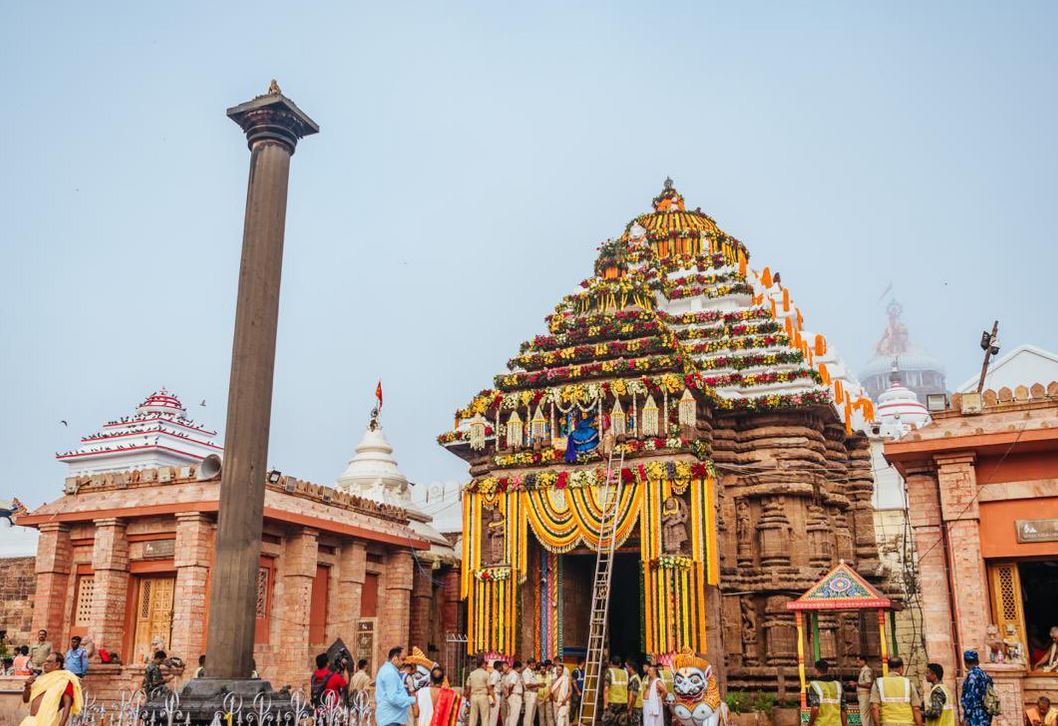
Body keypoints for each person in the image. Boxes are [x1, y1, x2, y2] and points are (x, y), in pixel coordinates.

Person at [19, 651, 83, 726]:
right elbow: (26, 700)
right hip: (31, 721)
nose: (45, 664)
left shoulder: (65, 679)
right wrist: (27, 687)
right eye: (45, 661)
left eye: (49, 662)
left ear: (57, 664)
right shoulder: (40, 679)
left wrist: (62, 724)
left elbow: (67, 704)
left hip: (49, 721)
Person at [870, 657, 922, 726]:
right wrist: (919, 724)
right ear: (901, 668)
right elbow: (916, 709)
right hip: (907, 723)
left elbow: (874, 708)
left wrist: (877, 724)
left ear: (888, 668)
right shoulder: (909, 683)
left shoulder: (878, 683)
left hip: (887, 723)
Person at [377, 647, 418, 726]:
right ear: (395, 659)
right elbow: (393, 698)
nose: (404, 663)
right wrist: (413, 700)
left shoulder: (389, 671)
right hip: (390, 719)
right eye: (402, 659)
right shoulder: (390, 673)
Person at [960, 650, 994, 726]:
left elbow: (970, 698)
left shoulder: (972, 676)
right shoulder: (985, 675)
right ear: (977, 661)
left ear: (965, 662)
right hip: (986, 713)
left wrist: (966, 718)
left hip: (975, 715)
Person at [808, 659, 847, 726]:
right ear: (827, 670)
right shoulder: (837, 685)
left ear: (816, 670)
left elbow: (815, 708)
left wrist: (810, 724)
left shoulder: (814, 685)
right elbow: (843, 709)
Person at [603, 655, 630, 726]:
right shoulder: (625, 673)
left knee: (608, 723)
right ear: (620, 664)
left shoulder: (609, 672)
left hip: (613, 703)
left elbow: (606, 689)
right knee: (621, 723)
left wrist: (605, 704)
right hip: (623, 702)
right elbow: (629, 690)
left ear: (611, 663)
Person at [465, 657, 492, 726]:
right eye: (485, 664)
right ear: (482, 664)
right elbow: (490, 688)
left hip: (473, 697)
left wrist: (467, 698)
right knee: (485, 718)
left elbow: (468, 688)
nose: (486, 665)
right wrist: (493, 698)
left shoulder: (471, 674)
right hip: (483, 696)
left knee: (473, 718)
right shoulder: (486, 674)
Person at [854, 656, 875, 726]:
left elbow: (869, 684)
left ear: (863, 661)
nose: (857, 663)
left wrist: (856, 684)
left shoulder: (867, 670)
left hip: (865, 696)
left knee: (864, 715)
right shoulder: (863, 670)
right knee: (867, 716)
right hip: (862, 696)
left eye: (858, 661)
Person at [505, 661, 525, 726]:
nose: (521, 669)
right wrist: (509, 693)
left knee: (509, 715)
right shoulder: (515, 674)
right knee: (514, 717)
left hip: (511, 697)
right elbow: (511, 685)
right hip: (515, 696)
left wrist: (507, 695)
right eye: (521, 667)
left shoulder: (509, 674)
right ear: (518, 667)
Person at [523, 660, 542, 726]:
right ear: (528, 664)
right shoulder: (526, 672)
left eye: (534, 664)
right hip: (529, 693)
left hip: (534, 694)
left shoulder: (532, 672)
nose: (534, 666)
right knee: (529, 714)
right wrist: (538, 685)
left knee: (532, 715)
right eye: (532, 664)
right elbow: (527, 685)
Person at [489, 661, 507, 726]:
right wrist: (494, 699)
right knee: (493, 716)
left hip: (496, 695)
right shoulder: (495, 674)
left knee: (493, 716)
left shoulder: (497, 674)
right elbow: (491, 686)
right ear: (499, 666)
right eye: (502, 666)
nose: (502, 667)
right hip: (495, 695)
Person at [539, 660, 555, 726]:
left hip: (548, 698)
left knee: (549, 715)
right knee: (541, 716)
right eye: (541, 669)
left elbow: (550, 688)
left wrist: (546, 698)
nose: (542, 670)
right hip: (539, 698)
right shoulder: (537, 676)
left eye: (543, 668)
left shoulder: (550, 676)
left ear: (545, 669)